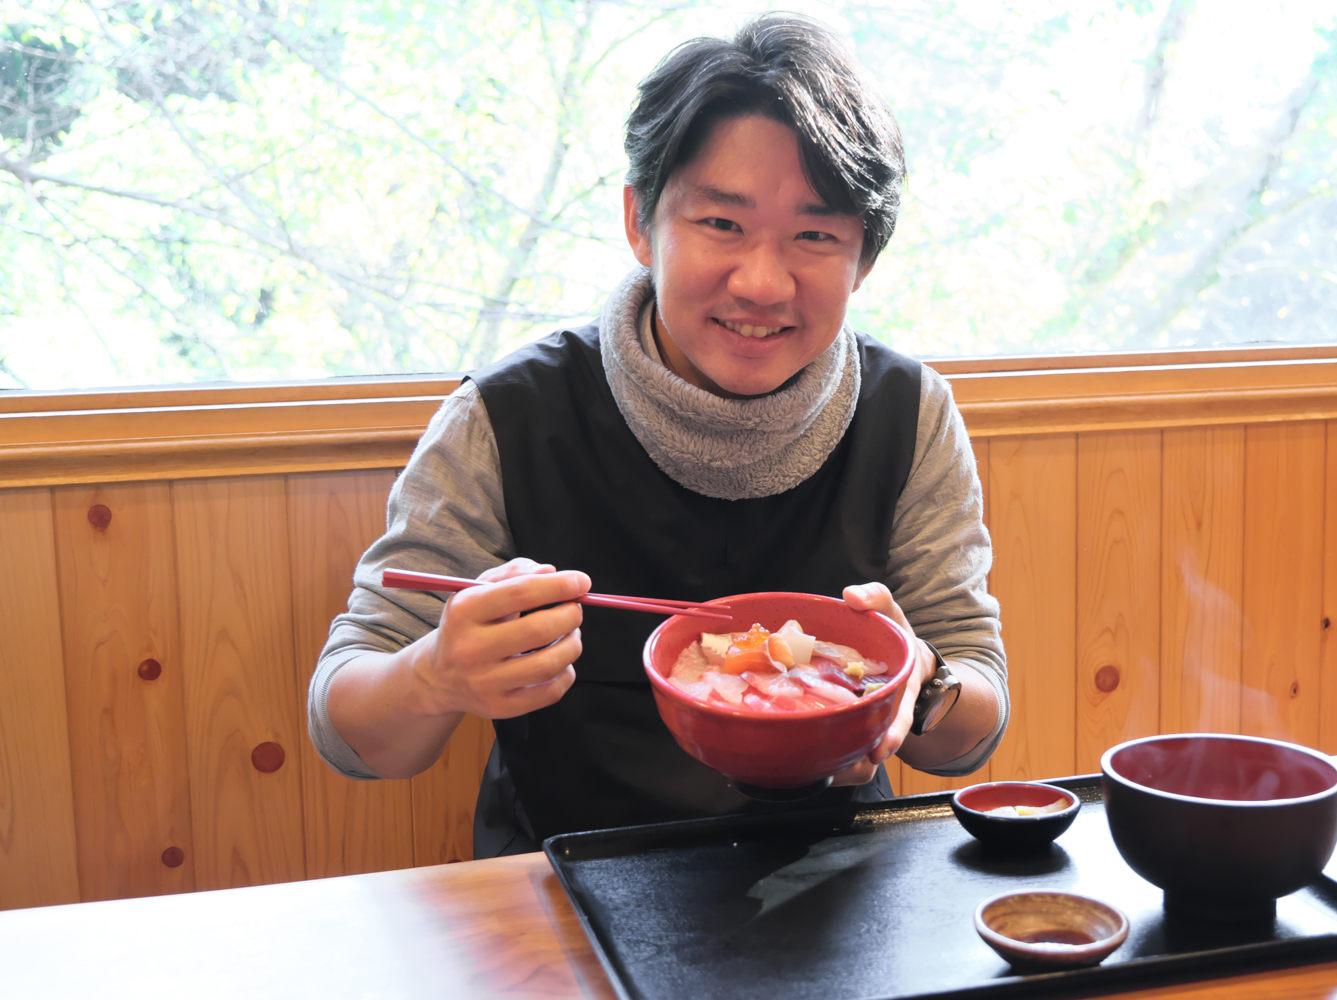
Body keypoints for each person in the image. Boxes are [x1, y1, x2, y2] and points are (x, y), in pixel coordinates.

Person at [308, 13, 1008, 857]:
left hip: (838, 890)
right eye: (722, 224)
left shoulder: (909, 412)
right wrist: (434, 673)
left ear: (862, 260)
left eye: (816, 236)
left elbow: (973, 726)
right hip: (569, 887)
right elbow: (351, 733)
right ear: (641, 220)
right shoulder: (509, 415)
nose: (762, 280)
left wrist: (927, 685)